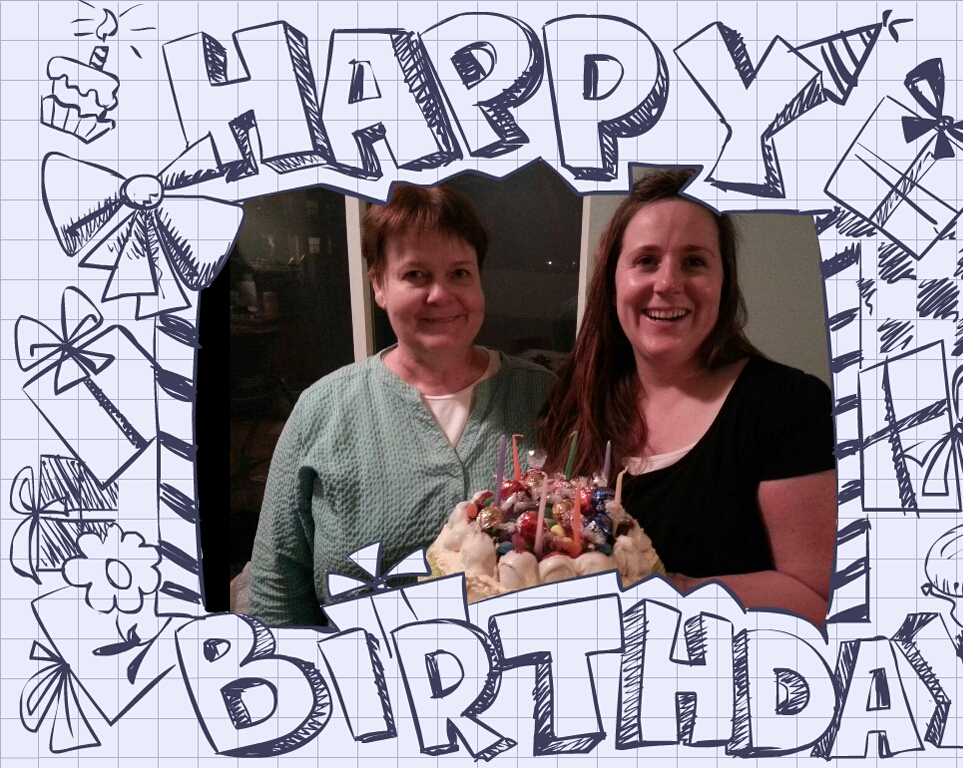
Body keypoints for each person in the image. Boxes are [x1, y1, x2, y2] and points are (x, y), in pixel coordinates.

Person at [537, 169, 836, 626]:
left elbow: (818, 597)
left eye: (694, 262)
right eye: (646, 260)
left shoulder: (788, 406)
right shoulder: (575, 403)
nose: (668, 283)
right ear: (613, 283)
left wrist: (663, 589)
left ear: (724, 283)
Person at [250, 185, 555, 626]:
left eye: (460, 273)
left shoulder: (546, 398)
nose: (441, 294)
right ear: (378, 285)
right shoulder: (321, 410)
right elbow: (276, 590)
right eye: (416, 275)